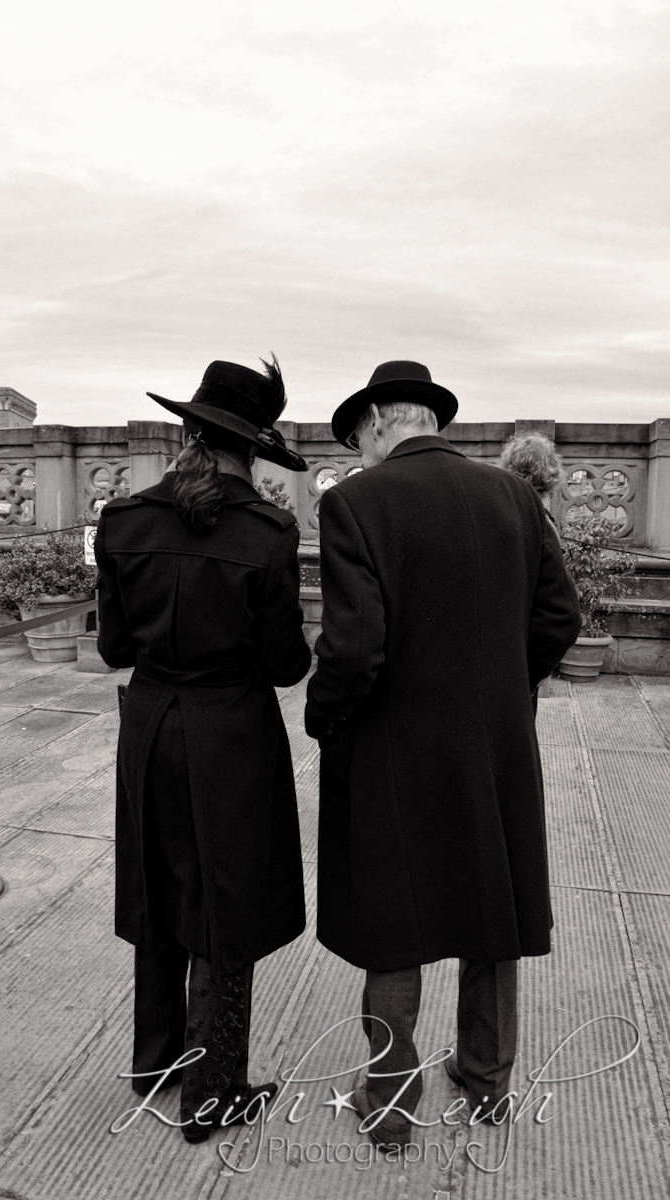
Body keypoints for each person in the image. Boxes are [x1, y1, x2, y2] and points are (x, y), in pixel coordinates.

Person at [304, 361, 582, 1144]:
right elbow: (558, 616)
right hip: (493, 743)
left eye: (358, 433)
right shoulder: (512, 497)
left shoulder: (355, 502)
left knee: (396, 916)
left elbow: (354, 650)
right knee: (490, 901)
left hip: (393, 745)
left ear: (386, 421)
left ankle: (390, 1104)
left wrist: (323, 720)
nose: (357, 450)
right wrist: (501, 687)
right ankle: (487, 1081)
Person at [95, 357, 312, 1143]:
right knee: (224, 902)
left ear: (189, 433)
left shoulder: (121, 522)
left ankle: (155, 1064)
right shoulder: (268, 532)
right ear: (249, 450)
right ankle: (212, 1090)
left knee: (157, 887)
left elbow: (115, 644)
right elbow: (286, 663)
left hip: (149, 724)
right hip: (230, 734)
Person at [499, 431, 567, 713]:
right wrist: (533, 674)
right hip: (521, 664)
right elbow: (562, 617)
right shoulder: (544, 527)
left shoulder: (497, 517)